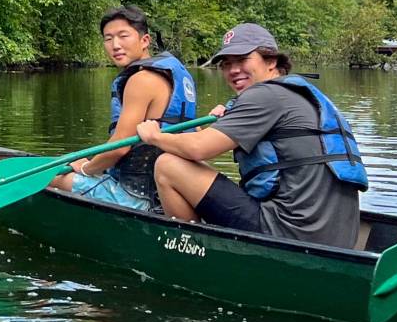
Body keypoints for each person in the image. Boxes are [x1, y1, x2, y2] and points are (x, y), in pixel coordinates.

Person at [135, 22, 368, 248]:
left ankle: (191, 251)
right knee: (183, 162)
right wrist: (220, 125)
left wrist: (155, 136)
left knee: (166, 165)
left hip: (287, 232)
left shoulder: (263, 96)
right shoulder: (296, 94)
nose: (233, 70)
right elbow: (203, 152)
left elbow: (197, 149)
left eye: (242, 60)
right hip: (337, 239)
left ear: (271, 61)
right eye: (226, 63)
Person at [49, 6, 199, 209]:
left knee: (50, 180)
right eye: (108, 38)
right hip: (172, 196)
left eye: (123, 36)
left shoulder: (141, 80)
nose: (115, 45)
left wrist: (86, 168)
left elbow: (119, 147)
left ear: (144, 40)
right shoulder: (176, 76)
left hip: (134, 197)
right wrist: (94, 163)